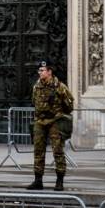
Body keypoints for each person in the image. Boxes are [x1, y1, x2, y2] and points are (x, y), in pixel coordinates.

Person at [26, 60, 74, 192]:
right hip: (40, 122)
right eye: (39, 70)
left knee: (57, 151)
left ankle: (59, 181)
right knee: (38, 151)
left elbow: (69, 105)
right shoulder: (37, 86)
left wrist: (59, 114)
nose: (39, 73)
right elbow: (33, 101)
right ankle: (38, 180)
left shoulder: (59, 86)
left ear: (49, 72)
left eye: (42, 70)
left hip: (54, 122)